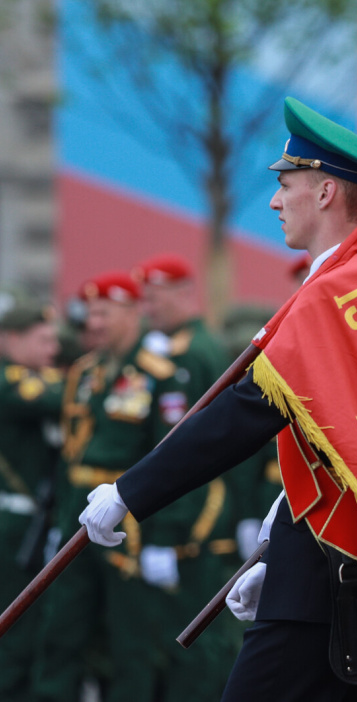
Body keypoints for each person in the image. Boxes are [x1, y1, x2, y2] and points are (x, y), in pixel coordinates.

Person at [77, 98, 357, 702]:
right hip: (338, 568)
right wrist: (276, 550)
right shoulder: (356, 284)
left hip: (335, 567)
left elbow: (248, 411)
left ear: (326, 192)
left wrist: (130, 493)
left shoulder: (338, 294)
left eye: (286, 185)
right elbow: (328, 434)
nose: (274, 202)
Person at [31, 273, 176, 702]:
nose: (93, 323)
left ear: (133, 313)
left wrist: (163, 537)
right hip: (77, 512)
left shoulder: (158, 373)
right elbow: (70, 456)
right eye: (91, 314)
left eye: (104, 313)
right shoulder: (83, 372)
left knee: (131, 639)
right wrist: (59, 522)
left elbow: (171, 458)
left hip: (128, 518)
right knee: (61, 627)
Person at [132, 253, 243, 700]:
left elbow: (185, 452)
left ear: (183, 293)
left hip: (194, 526)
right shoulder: (182, 348)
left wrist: (168, 536)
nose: (149, 308)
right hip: (188, 520)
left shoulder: (193, 354)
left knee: (194, 649)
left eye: (156, 297)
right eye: (145, 299)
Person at [0, 301, 62, 701]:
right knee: (16, 627)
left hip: (38, 521)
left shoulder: (44, 377)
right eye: (42, 340)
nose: (52, 349)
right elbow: (52, 399)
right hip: (16, 522)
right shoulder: (11, 381)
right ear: (10, 339)